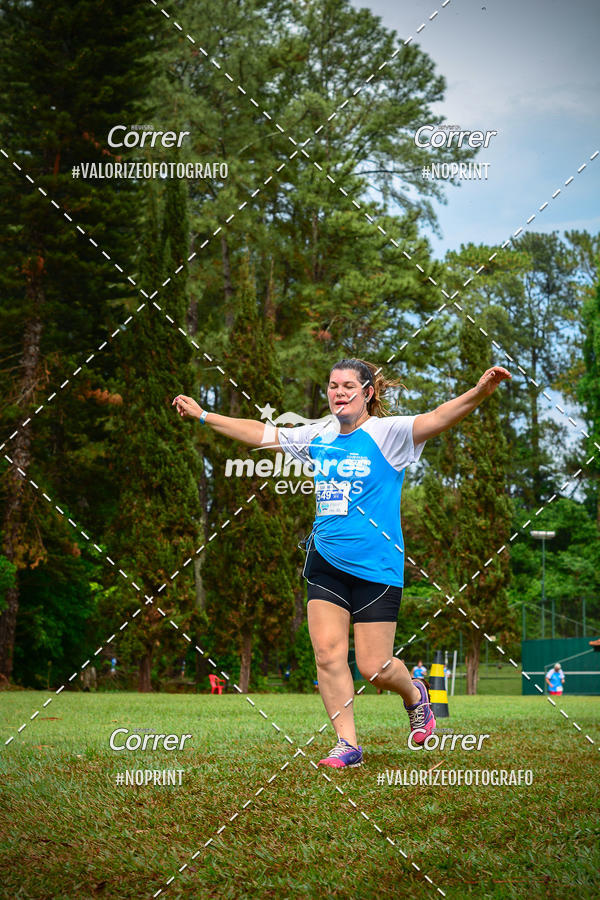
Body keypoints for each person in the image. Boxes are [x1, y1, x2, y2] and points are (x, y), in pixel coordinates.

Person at [172, 357, 511, 768]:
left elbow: (439, 417)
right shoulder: (319, 434)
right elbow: (261, 433)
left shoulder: (388, 433)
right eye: (333, 386)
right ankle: (347, 743)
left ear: (368, 393)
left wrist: (479, 393)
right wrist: (204, 414)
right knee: (328, 654)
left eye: (349, 385)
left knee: (375, 667)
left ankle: (414, 693)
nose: (339, 392)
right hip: (327, 560)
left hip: (378, 566)